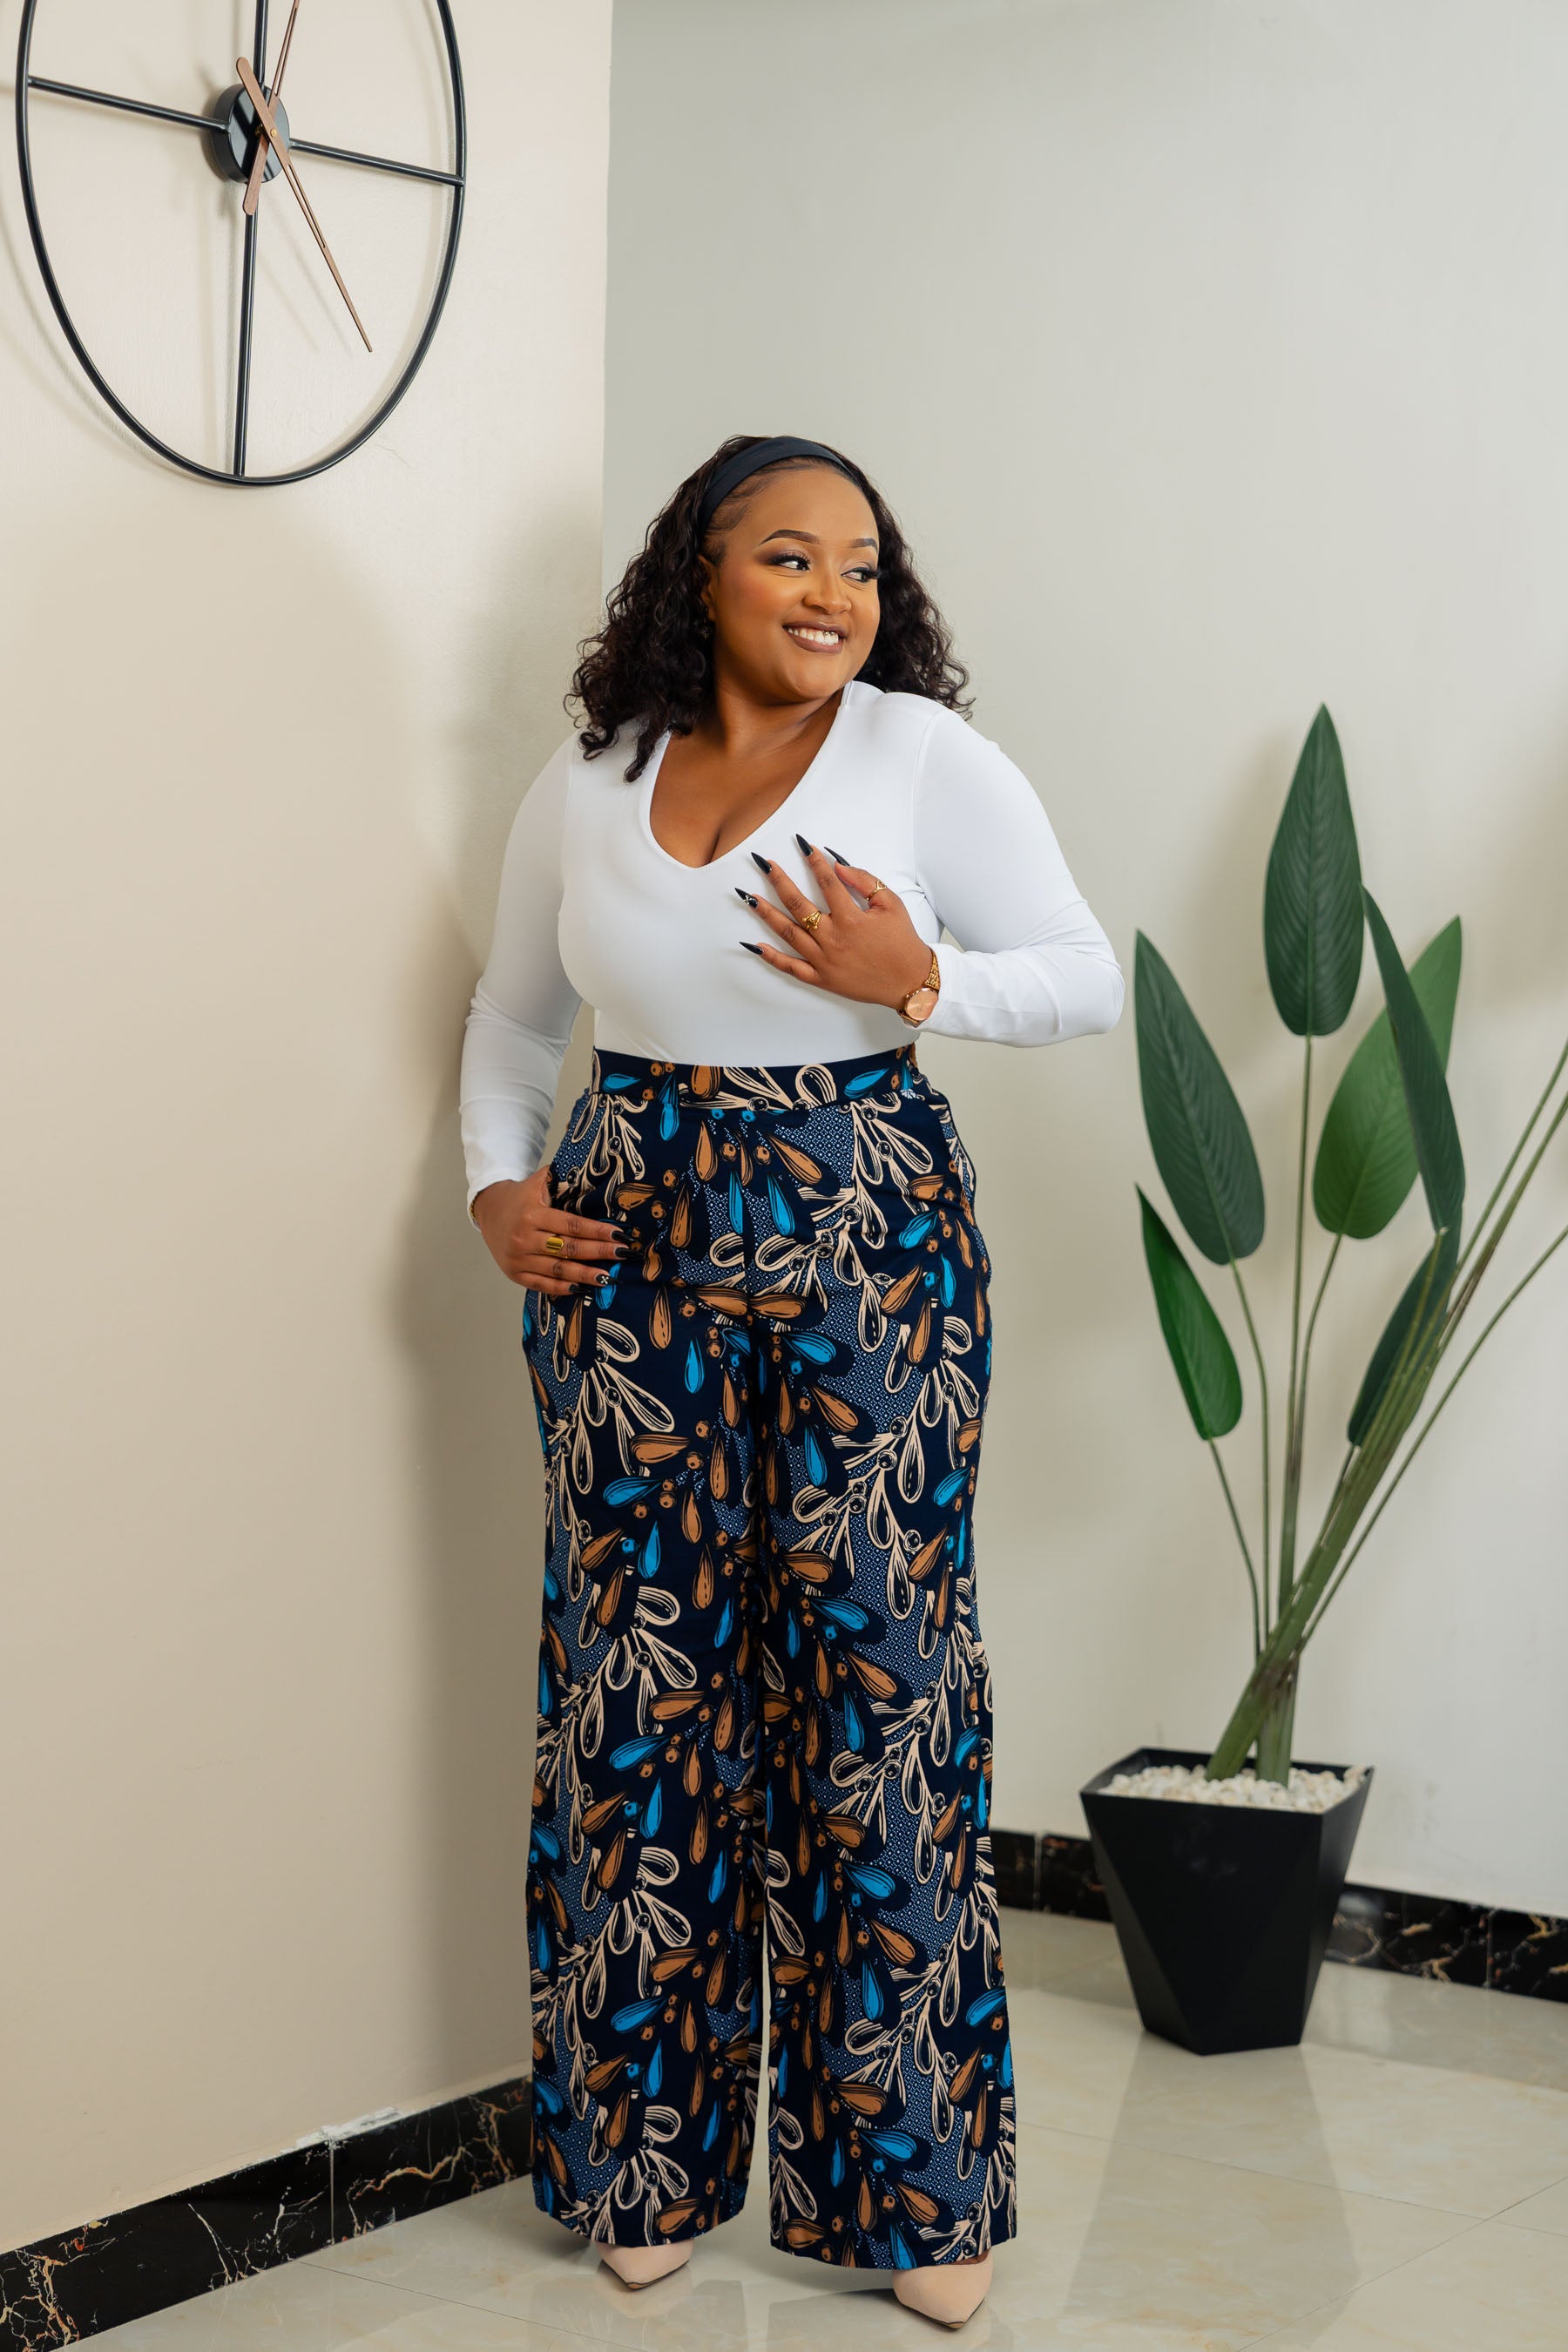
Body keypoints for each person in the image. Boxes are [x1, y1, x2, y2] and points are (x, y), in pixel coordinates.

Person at [460, 433, 1123, 2328]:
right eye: (787, 555)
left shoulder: (923, 758)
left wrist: (923, 982)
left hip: (866, 1238)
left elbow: (1084, 974)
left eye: (860, 563)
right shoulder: (592, 777)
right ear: (703, 570)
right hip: (627, 1252)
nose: (832, 592)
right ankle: (639, 2165)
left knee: (878, 1691)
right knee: (640, 1688)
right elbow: (513, 1016)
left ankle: (915, 2197)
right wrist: (497, 1189)